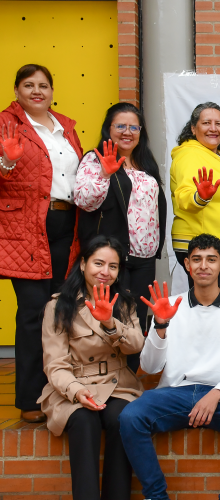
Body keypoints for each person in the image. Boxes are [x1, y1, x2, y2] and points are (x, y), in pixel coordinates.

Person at [119, 233, 220, 500]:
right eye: (196, 259)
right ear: (187, 265)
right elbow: (148, 367)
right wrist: (160, 325)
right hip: (174, 391)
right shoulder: (170, 305)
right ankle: (156, 495)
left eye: (211, 259)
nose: (203, 265)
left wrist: (215, 395)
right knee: (130, 417)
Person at [0, 64, 83, 422]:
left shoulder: (66, 127)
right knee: (34, 313)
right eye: (29, 85)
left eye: (44, 85)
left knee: (63, 309)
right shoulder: (6, 124)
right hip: (26, 227)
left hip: (68, 224)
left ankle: (64, 389)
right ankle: (31, 398)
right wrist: (6, 162)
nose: (37, 91)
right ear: (16, 90)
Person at [39, 235, 144, 500]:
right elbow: (55, 365)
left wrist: (110, 323)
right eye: (98, 263)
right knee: (84, 422)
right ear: (83, 263)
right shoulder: (59, 306)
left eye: (113, 266)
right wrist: (76, 391)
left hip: (117, 385)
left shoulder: (125, 303)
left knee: (123, 419)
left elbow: (136, 346)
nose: (105, 272)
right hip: (72, 387)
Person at [74, 102, 166, 372]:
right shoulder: (95, 159)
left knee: (137, 317)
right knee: (111, 316)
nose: (128, 132)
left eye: (134, 127)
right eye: (120, 126)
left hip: (145, 257)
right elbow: (84, 200)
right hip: (114, 258)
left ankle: (131, 380)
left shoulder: (146, 163)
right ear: (108, 129)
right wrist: (105, 173)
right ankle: (108, 378)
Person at [170, 102, 220, 300]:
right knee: (208, 309)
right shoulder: (189, 154)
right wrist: (201, 197)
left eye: (219, 123)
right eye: (206, 123)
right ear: (193, 128)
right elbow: (184, 196)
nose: (213, 128)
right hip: (204, 246)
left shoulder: (219, 156)